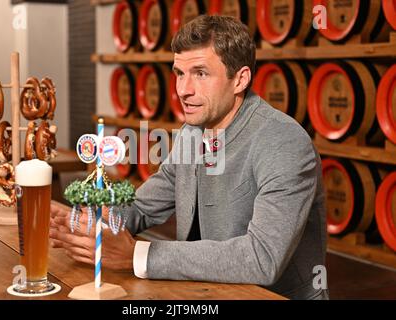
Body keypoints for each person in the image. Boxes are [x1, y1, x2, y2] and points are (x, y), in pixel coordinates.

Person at [50, 15, 328, 300]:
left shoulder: (283, 142)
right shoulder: (192, 133)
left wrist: (137, 254)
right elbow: (144, 207)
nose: (183, 90)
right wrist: (93, 222)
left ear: (240, 80)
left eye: (201, 73)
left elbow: (262, 258)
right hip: (203, 293)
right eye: (179, 74)